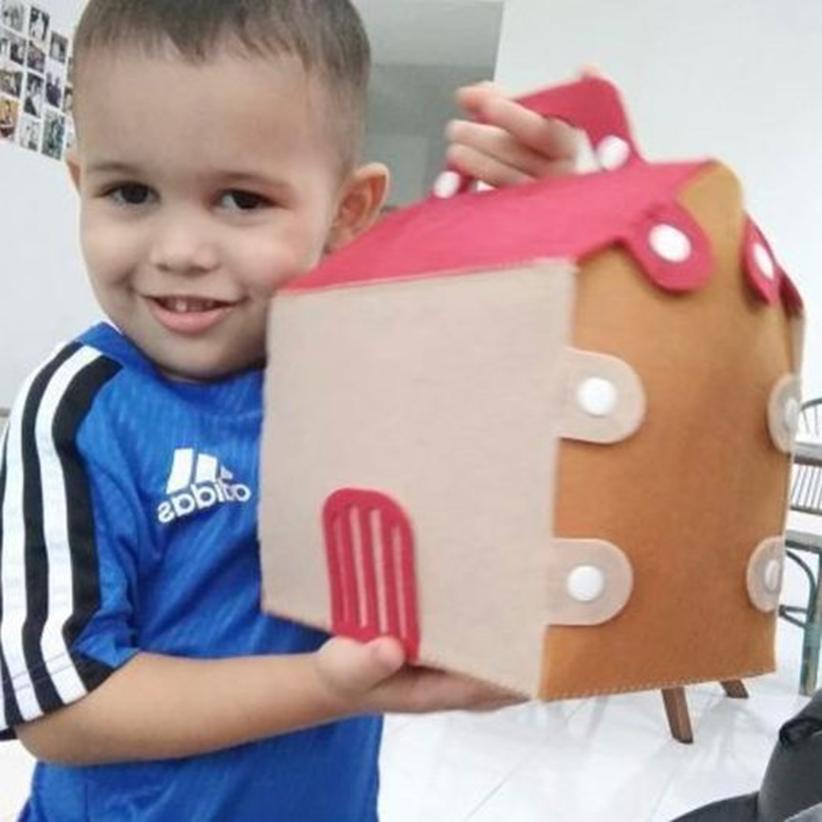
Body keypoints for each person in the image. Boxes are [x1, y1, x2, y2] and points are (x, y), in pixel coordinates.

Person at [0, 2, 578, 820]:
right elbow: (63, 709)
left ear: (346, 213)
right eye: (130, 191)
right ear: (80, 184)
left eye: (240, 200)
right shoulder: (80, 412)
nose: (180, 249)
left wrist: (573, 236)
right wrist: (328, 685)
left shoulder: (364, 377)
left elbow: (530, 420)